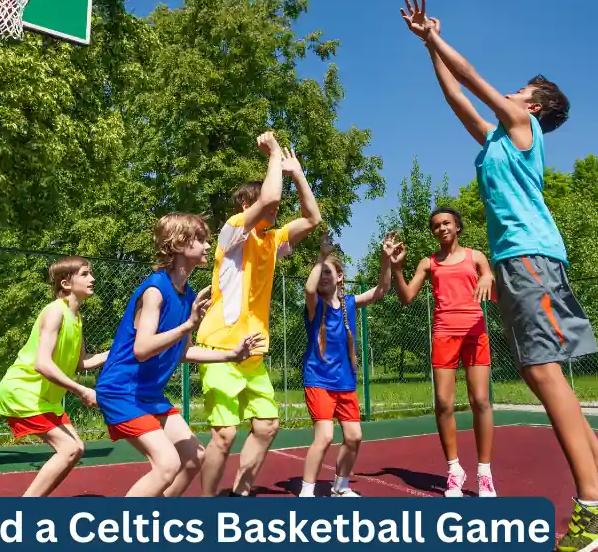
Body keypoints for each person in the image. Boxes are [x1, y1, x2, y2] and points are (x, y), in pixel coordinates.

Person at [399, 0, 598, 552]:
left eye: (519, 89)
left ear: (536, 103)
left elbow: (474, 78)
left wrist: (436, 38)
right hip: (517, 262)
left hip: (530, 257)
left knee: (542, 370)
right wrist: (427, 46)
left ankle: (594, 500)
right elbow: (458, 96)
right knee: (539, 373)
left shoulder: (524, 125)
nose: (508, 92)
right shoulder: (496, 140)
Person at [86, 213, 264, 552]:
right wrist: (187, 327)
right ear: (180, 245)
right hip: (122, 390)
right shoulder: (155, 290)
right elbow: (144, 346)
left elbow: (182, 353)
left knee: (193, 458)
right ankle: (109, 548)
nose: (205, 245)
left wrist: (231, 355)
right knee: (166, 463)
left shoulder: (185, 296)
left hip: (148, 394)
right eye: (199, 239)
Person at [196, 131, 322, 497]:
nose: (277, 207)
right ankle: (204, 507)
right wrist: (273, 154)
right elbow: (271, 195)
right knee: (224, 434)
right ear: (248, 206)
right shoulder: (233, 232)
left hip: (252, 349)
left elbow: (312, 218)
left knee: (266, 426)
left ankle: (240, 493)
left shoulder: (272, 238)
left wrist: (297, 173)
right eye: (268, 203)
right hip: (220, 346)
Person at [388, 208, 497, 497]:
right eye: (436, 226)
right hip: (444, 334)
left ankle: (484, 473)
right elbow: (406, 297)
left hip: (475, 331)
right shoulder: (428, 263)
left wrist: (488, 276)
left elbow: (489, 277)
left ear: (458, 227)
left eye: (446, 223)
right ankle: (454, 470)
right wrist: (397, 268)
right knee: (444, 404)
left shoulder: (476, 257)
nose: (441, 228)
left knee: (481, 400)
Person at [0, 256, 108, 498]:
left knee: (76, 450)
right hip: (23, 392)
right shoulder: (55, 312)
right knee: (68, 450)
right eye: (85, 274)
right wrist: (82, 390)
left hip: (44, 397)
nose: (92, 279)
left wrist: (119, 351)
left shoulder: (77, 318)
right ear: (66, 283)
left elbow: (81, 363)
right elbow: (42, 364)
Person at [299, 231, 395, 498]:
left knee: (354, 436)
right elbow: (308, 288)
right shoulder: (314, 305)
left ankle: (340, 488)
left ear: (340, 277)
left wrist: (385, 260)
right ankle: (307, 492)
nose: (322, 278)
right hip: (318, 379)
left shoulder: (350, 304)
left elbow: (381, 290)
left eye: (328, 272)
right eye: (320, 273)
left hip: (344, 382)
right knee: (325, 436)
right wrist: (321, 256)